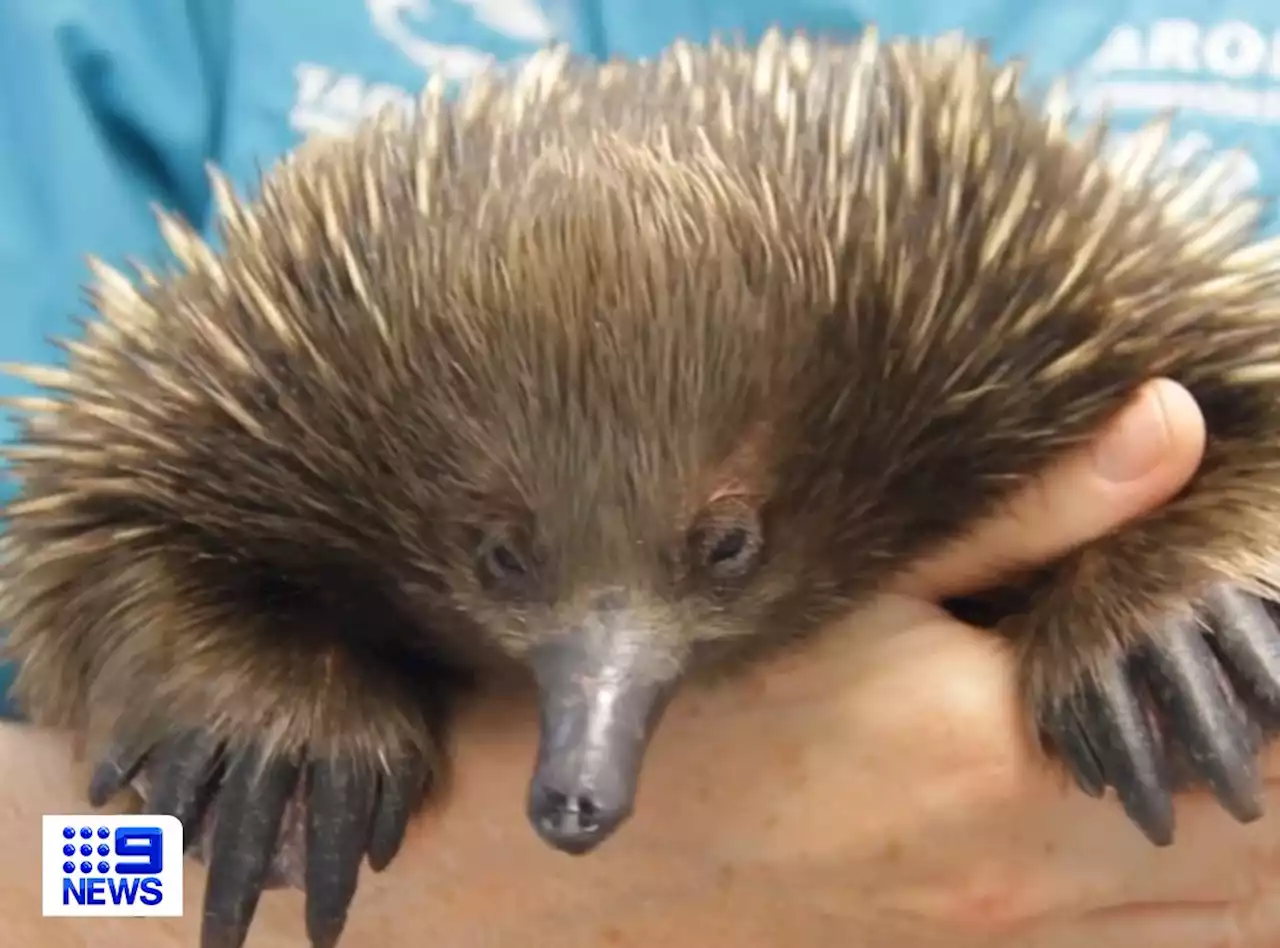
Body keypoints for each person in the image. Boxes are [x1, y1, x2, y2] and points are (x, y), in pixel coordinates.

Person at [1, 1, 1278, 945]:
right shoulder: (122, 40)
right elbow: (38, 860)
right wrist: (188, 902)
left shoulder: (1012, 270)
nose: (587, 779)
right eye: (502, 561)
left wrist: (1186, 579)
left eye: (720, 549)